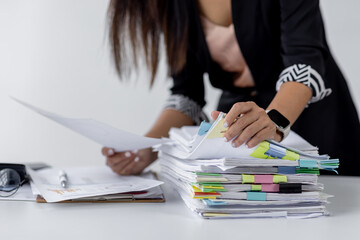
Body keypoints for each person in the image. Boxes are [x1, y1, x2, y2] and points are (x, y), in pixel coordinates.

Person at [102, 0, 360, 176]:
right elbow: (186, 93)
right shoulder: (172, 6)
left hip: (313, 121)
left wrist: (275, 121)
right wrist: (145, 148)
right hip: (238, 131)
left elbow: (304, 62)